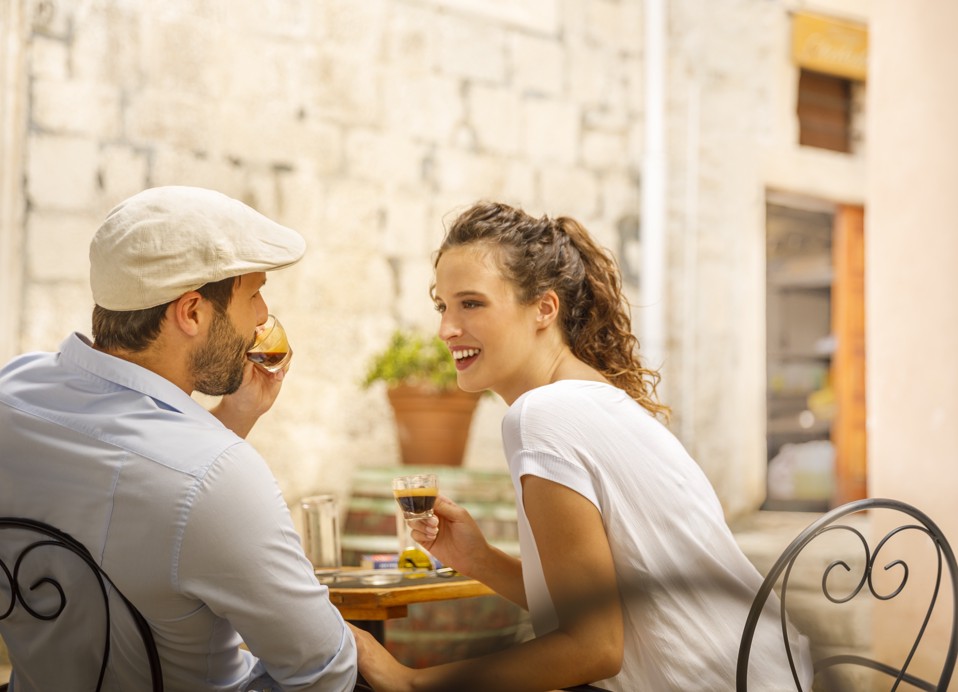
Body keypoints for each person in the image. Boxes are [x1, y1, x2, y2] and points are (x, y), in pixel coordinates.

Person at [350, 201, 812, 691]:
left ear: (544, 309)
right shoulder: (597, 400)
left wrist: (412, 682)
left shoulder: (543, 415)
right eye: (443, 306)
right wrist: (479, 559)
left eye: (472, 303)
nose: (446, 329)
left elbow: (594, 649)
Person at [0, 186, 357, 691]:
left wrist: (230, 419)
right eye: (254, 294)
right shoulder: (216, 474)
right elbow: (324, 673)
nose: (263, 316)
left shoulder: (13, 392)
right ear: (191, 312)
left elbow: (139, 495)